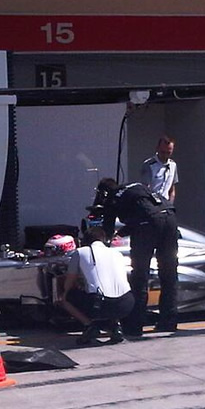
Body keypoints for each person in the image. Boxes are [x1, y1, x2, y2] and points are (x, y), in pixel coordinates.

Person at [96, 178, 179, 337]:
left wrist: (101, 240)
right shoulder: (138, 186)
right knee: (169, 274)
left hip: (147, 224)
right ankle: (169, 321)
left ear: (104, 192)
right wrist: (122, 232)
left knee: (140, 276)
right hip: (170, 217)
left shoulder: (114, 196)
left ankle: (134, 325)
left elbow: (107, 228)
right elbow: (145, 212)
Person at [57, 226, 134, 345]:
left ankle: (90, 325)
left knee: (66, 298)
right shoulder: (117, 253)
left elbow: (69, 280)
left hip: (100, 304)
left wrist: (66, 291)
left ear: (85, 241)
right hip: (127, 303)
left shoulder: (81, 252)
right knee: (111, 294)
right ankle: (115, 326)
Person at [140, 136, 178, 204]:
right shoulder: (149, 165)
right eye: (163, 152)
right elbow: (145, 189)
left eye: (168, 152)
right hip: (152, 203)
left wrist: (170, 204)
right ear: (157, 148)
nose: (165, 155)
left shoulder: (173, 165)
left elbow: (172, 189)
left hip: (166, 204)